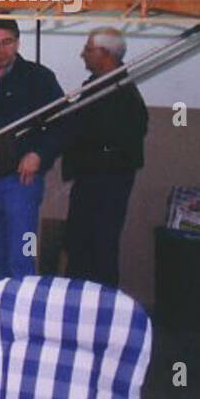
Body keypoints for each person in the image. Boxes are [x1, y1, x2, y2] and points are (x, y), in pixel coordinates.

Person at [0, 20, 64, 288]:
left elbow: (61, 124)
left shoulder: (39, 77)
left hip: (21, 180)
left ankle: (22, 309)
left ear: (17, 42)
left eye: (7, 42)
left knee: (23, 251)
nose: (1, 49)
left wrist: (38, 154)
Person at [62, 27, 148, 287]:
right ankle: (77, 302)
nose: (82, 54)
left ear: (105, 53)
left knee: (100, 250)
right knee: (79, 246)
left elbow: (106, 138)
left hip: (106, 184)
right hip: (91, 180)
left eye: (88, 49)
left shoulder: (123, 93)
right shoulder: (96, 86)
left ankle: (100, 306)